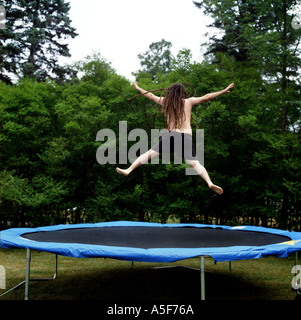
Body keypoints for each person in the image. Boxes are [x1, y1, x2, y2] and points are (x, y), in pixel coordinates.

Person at [116, 81, 234, 195]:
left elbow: (151, 96)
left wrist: (138, 88)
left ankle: (129, 170)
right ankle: (209, 182)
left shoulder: (166, 102)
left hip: (172, 135)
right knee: (194, 163)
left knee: (149, 154)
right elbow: (206, 97)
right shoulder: (188, 102)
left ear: (170, 92)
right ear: (182, 93)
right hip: (186, 137)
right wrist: (223, 91)